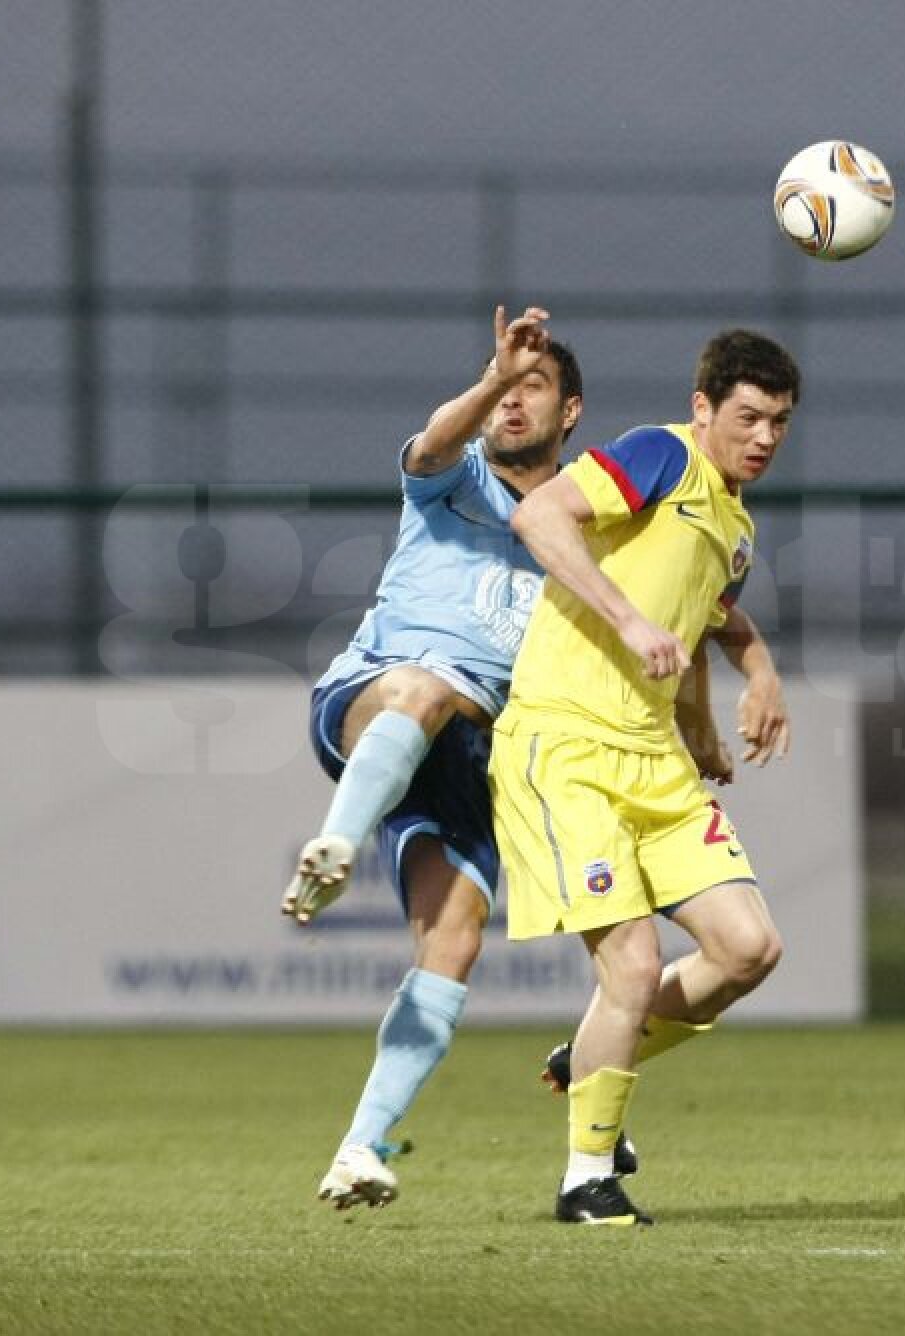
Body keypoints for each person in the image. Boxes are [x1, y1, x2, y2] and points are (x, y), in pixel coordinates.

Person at [489, 327, 799, 1226]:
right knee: (632, 964)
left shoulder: (734, 523)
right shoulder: (659, 455)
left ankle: (591, 1054)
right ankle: (585, 1177)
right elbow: (538, 516)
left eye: (779, 421)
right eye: (748, 416)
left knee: (748, 949)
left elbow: (711, 618)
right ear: (704, 409)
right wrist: (625, 620)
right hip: (566, 745)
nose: (765, 436)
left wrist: (743, 692)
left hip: (654, 759)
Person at [280, 305, 583, 1211]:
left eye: (535, 387)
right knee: (426, 682)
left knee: (452, 942)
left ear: (571, 412)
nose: (513, 402)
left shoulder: (581, 530)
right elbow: (433, 442)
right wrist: (493, 374)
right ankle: (334, 844)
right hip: (375, 697)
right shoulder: (453, 480)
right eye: (504, 389)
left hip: (468, 757)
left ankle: (360, 1149)